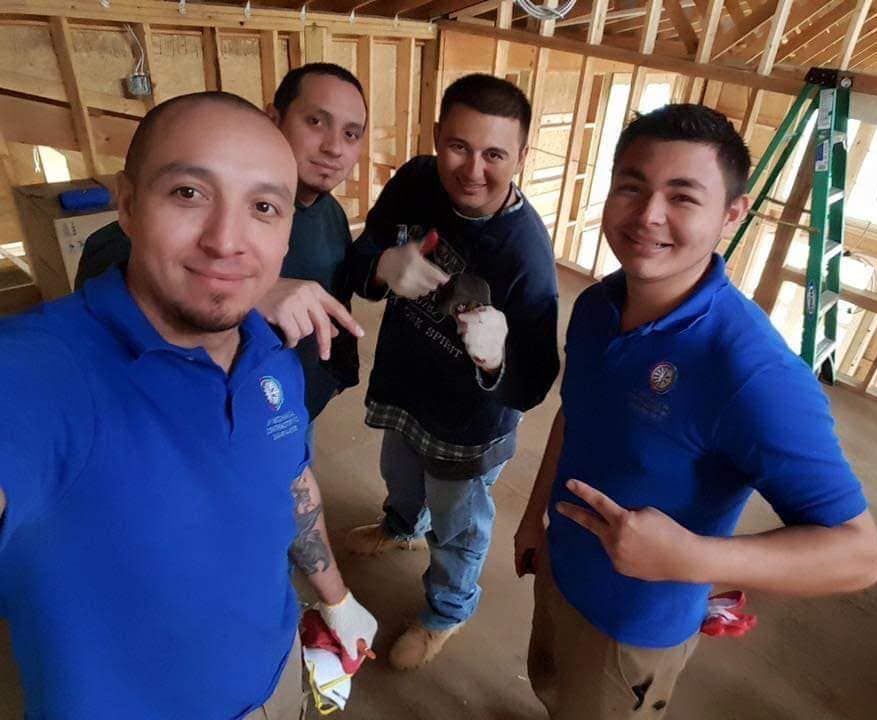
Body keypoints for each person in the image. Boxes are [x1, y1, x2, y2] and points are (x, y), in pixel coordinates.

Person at [0, 92, 376, 720]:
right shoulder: (45, 371)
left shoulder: (271, 354)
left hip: (279, 684)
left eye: (262, 207)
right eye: (188, 193)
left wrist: (334, 597)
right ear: (125, 204)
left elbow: (286, 479)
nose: (226, 241)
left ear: (287, 235)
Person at [514, 104, 877, 720]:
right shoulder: (598, 306)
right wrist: (534, 520)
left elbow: (858, 555)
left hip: (635, 623)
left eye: (682, 197)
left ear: (731, 215)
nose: (647, 216)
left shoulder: (750, 371)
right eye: (631, 186)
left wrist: (696, 559)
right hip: (561, 570)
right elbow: (574, 416)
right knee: (551, 690)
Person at [342, 73, 560, 669]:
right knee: (400, 473)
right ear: (436, 135)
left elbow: (537, 378)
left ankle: (448, 611)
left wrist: (495, 355)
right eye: (459, 146)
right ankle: (400, 524)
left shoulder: (526, 255)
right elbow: (362, 254)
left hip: (470, 422)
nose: (473, 170)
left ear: (521, 154)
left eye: (495, 154)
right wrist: (385, 263)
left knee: (459, 525)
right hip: (408, 381)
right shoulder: (416, 179)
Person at [75, 63, 368, 418]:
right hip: (201, 412)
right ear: (273, 118)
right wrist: (254, 292)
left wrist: (337, 375)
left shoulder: (332, 213)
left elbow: (338, 300)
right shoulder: (117, 247)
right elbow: (109, 262)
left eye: (351, 134)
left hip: (291, 405)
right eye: (316, 122)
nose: (334, 147)